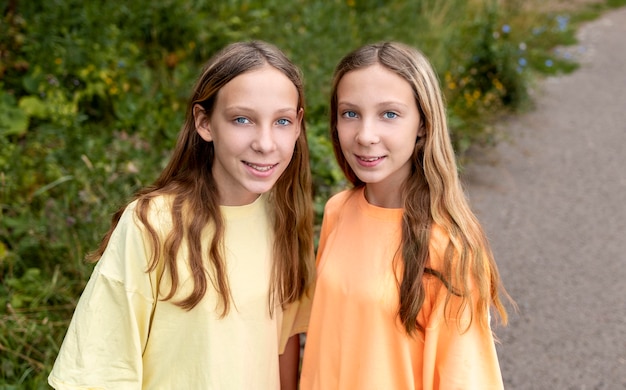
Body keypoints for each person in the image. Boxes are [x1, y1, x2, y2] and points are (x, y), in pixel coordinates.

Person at [48, 40, 314, 390]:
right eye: (242, 119)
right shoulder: (151, 224)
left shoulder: (286, 221)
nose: (265, 143)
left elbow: (282, 345)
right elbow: (102, 373)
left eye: (281, 121)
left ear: (297, 126)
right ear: (205, 123)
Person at [300, 41, 511, 389]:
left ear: (424, 124)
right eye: (350, 113)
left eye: (389, 114)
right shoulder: (339, 209)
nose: (365, 135)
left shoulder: (448, 246)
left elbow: (465, 379)